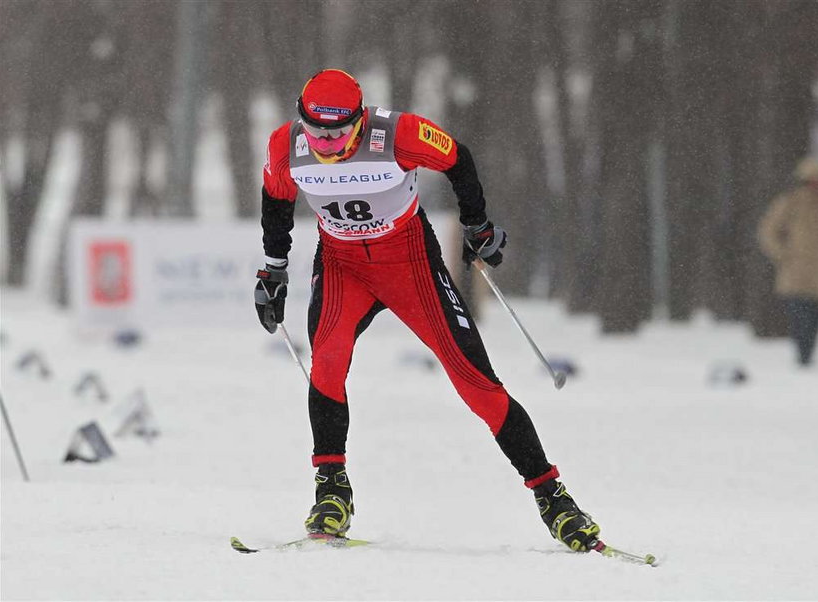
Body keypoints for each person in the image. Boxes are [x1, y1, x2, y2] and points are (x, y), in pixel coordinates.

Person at [254, 69, 600, 552]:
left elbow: (458, 159)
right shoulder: (284, 146)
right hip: (342, 265)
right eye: (315, 131)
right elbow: (276, 202)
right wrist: (272, 272)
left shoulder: (398, 134)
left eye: (336, 132)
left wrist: (477, 225)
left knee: (477, 385)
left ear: (358, 121)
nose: (325, 143)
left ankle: (553, 497)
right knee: (327, 363)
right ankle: (332, 489)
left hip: (409, 263)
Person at [758, 157, 818, 366]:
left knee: (815, 317)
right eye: (812, 180)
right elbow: (768, 231)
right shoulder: (791, 202)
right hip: (795, 271)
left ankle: (809, 354)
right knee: (799, 316)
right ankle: (802, 355)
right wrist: (782, 253)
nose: (816, 185)